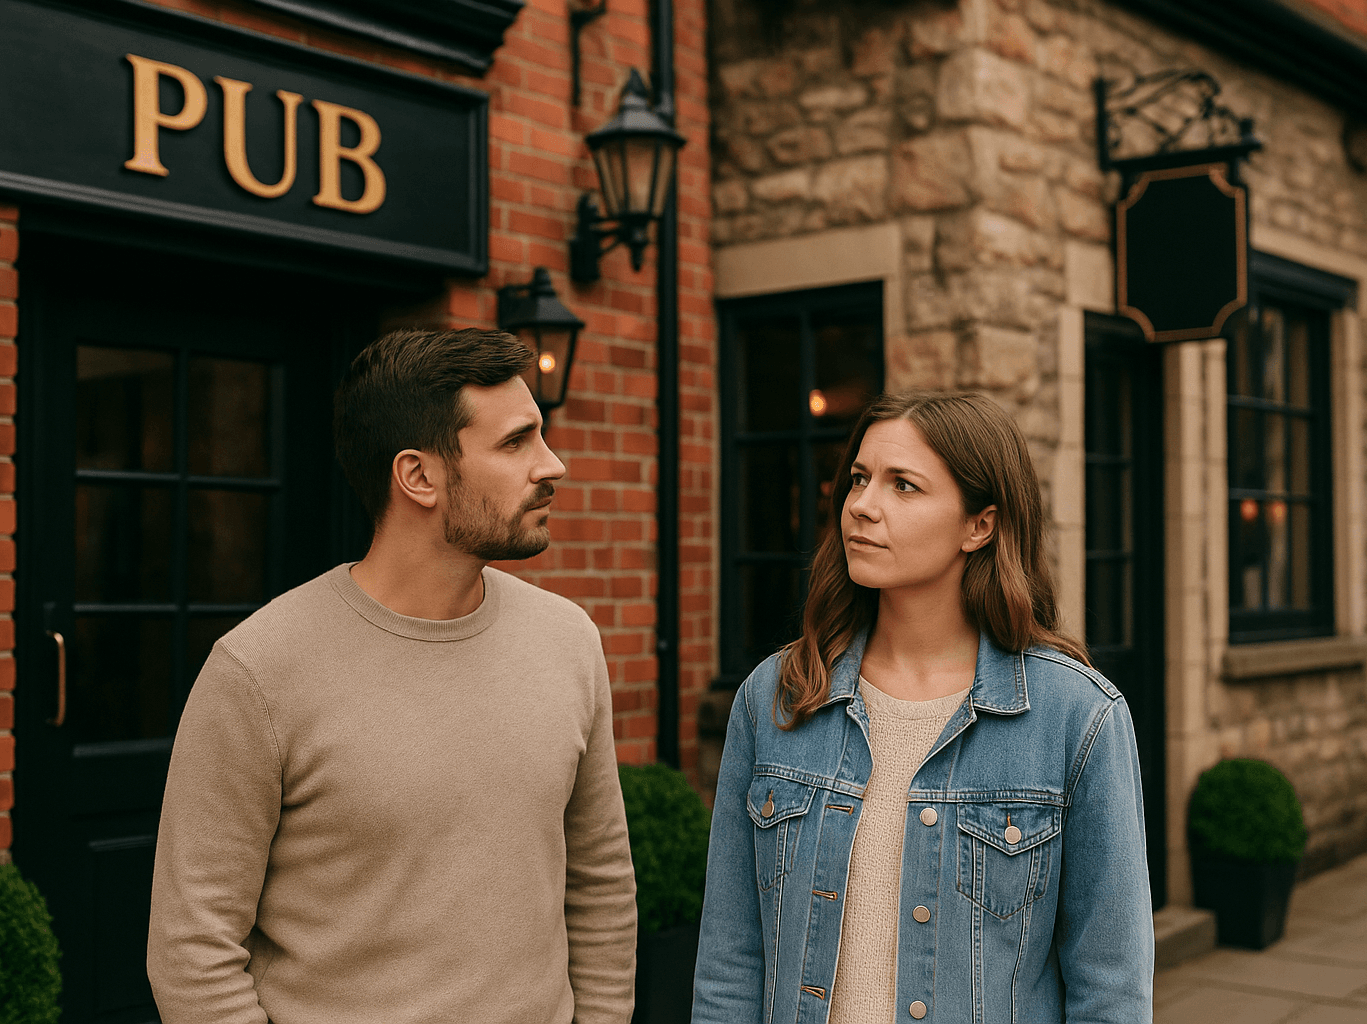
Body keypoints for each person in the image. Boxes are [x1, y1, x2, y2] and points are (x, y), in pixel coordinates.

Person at [148, 328, 637, 1024]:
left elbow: (601, 884)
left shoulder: (569, 641)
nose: (551, 464)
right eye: (515, 443)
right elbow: (192, 949)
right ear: (418, 476)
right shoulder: (258, 671)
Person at [692, 391, 1154, 1024]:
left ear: (979, 526)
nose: (862, 505)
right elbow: (729, 961)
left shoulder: (1077, 717)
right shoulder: (779, 695)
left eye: (903, 485)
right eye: (859, 478)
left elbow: (1112, 988)